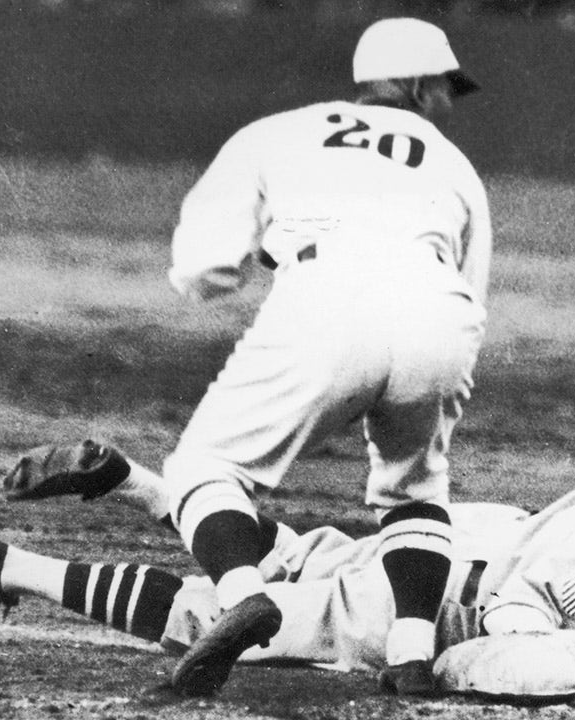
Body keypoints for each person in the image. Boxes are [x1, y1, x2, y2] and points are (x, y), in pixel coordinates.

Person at [152, 17, 491, 697]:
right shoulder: (457, 167)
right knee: (416, 489)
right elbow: (471, 290)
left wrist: (249, 263)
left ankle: (244, 595)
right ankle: (411, 655)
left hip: (327, 297)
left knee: (203, 469)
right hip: (440, 309)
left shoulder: (279, 130)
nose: (448, 101)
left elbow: (202, 267)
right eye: (445, 87)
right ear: (419, 84)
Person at [0, 430, 575, 694]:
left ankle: (138, 483)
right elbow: (507, 630)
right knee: (217, 616)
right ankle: (13, 569)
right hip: (449, 592)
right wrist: (457, 670)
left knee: (300, 554)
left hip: (473, 541)